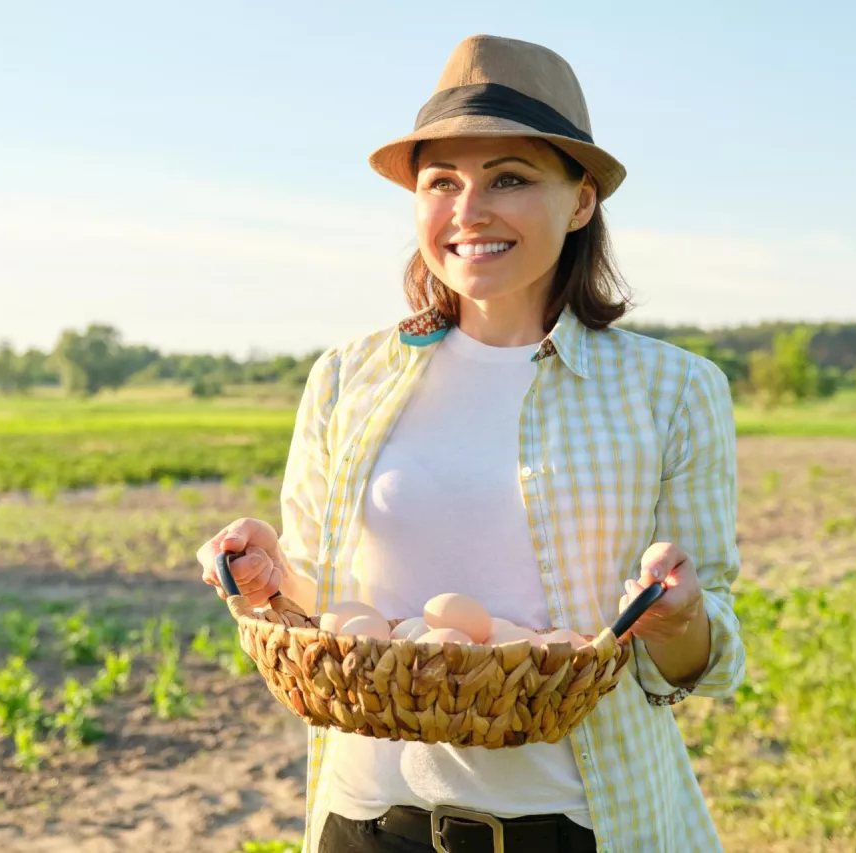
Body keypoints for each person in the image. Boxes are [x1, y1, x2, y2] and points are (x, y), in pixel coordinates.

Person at [197, 33, 745, 853]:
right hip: (367, 821)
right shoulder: (348, 377)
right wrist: (268, 579)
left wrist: (680, 617)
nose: (469, 211)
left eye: (510, 179)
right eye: (441, 182)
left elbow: (712, 657)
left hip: (577, 826)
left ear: (583, 200)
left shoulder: (673, 390)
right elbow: (326, 616)